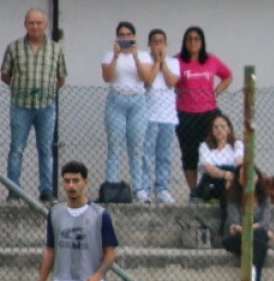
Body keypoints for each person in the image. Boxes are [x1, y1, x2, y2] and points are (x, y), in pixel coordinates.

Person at [2, 7, 67, 202]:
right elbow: (5, 75)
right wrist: (21, 88)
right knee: (16, 149)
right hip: (20, 106)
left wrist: (47, 90)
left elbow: (61, 78)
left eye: (39, 23)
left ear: (45, 25)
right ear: (25, 25)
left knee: (46, 149)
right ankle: (14, 190)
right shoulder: (14, 48)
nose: (35, 27)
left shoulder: (56, 49)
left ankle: (46, 190)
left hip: (46, 106)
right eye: (31, 23)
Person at [171, 26, 231, 195]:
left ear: (202, 42)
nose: (193, 42)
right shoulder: (177, 61)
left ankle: (215, 187)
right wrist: (176, 90)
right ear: (185, 42)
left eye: (197, 39)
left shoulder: (211, 60)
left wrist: (216, 91)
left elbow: (227, 76)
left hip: (209, 113)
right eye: (189, 39)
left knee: (215, 148)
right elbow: (168, 80)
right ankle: (194, 191)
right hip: (186, 113)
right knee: (189, 153)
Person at [98, 20, 154, 199]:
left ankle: (139, 188)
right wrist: (116, 56)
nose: (125, 38)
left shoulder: (144, 56)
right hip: (117, 100)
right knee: (115, 145)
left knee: (137, 147)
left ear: (134, 37)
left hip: (137, 102)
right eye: (121, 35)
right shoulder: (109, 55)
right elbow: (107, 77)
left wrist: (136, 56)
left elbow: (147, 79)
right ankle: (112, 185)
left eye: (128, 35)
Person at [221, 153, 272, 281]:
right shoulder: (233, 196)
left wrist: (254, 228)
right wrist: (257, 228)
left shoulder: (264, 198)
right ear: (238, 179)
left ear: (257, 177)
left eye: (250, 174)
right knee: (261, 236)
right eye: (243, 176)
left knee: (260, 237)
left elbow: (266, 221)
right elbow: (235, 223)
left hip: (254, 237)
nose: (247, 178)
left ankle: (254, 278)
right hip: (234, 239)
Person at [141, 28, 180, 204]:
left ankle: (163, 189)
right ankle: (145, 188)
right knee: (147, 155)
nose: (158, 44)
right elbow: (148, 82)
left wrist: (163, 61)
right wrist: (156, 62)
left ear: (166, 44)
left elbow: (171, 82)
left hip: (168, 118)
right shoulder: (144, 60)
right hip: (149, 116)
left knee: (164, 156)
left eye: (161, 41)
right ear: (149, 44)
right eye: (154, 41)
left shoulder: (173, 62)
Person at [194, 112, 243, 203]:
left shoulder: (237, 144)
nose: (219, 130)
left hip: (232, 180)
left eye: (222, 126)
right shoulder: (205, 146)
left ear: (229, 129)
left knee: (233, 172)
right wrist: (224, 175)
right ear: (211, 130)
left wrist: (231, 177)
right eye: (215, 127)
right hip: (212, 181)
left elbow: (239, 163)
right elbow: (208, 168)